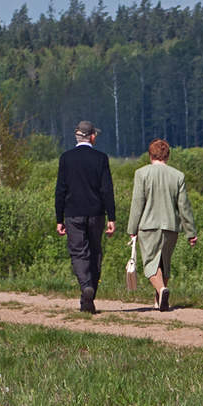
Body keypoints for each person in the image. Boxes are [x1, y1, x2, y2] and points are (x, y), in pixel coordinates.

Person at [127, 138, 196, 311]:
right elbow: (184, 207)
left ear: (150, 155)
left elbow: (137, 203)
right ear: (168, 155)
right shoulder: (178, 176)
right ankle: (159, 301)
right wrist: (191, 232)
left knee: (150, 263)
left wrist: (132, 228)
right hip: (171, 226)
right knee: (164, 262)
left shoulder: (141, 173)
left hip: (148, 225)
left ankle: (161, 290)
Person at [55, 120, 116, 313]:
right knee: (95, 252)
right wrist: (111, 217)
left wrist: (59, 218)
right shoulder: (100, 158)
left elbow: (60, 190)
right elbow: (107, 190)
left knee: (78, 253)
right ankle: (88, 297)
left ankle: (85, 287)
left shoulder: (66, 158)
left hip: (73, 213)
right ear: (92, 136)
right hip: (96, 212)